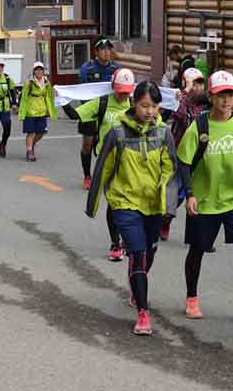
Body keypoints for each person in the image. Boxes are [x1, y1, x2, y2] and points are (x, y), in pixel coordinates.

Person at [86, 81, 178, 336]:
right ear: (134, 104)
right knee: (138, 252)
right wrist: (92, 205)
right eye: (144, 105)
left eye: (154, 106)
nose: (150, 111)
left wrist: (169, 206)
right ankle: (143, 313)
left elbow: (170, 171)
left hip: (153, 205)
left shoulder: (164, 133)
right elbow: (103, 168)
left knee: (149, 252)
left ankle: (136, 286)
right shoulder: (117, 133)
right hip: (124, 202)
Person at [175, 70, 233, 322]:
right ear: (211, 97)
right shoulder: (200, 126)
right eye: (220, 95)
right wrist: (190, 194)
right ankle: (192, 298)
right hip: (204, 201)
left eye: (230, 95)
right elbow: (183, 161)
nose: (226, 101)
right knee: (198, 250)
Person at [67, 68, 136, 261]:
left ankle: (128, 239)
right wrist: (61, 99)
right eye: (120, 90)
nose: (123, 95)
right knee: (114, 202)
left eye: (127, 91)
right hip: (108, 160)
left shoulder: (136, 103)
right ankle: (116, 243)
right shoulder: (103, 102)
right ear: (113, 87)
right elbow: (75, 115)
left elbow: (155, 119)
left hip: (132, 161)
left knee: (131, 202)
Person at [161, 67, 207, 241]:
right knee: (174, 197)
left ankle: (199, 237)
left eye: (200, 83)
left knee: (196, 195)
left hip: (199, 158)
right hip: (178, 156)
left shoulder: (207, 105)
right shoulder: (181, 101)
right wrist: (185, 92)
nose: (197, 87)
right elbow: (176, 113)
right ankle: (165, 220)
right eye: (193, 83)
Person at [76, 38, 121, 187]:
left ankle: (109, 175)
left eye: (109, 49)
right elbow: (81, 92)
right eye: (103, 49)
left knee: (111, 144)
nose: (107, 52)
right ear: (96, 52)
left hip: (111, 112)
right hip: (91, 111)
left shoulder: (117, 69)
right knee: (88, 144)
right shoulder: (87, 68)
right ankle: (87, 176)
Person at [18, 62, 57, 162]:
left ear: (43, 71)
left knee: (41, 133)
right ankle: (29, 152)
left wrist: (51, 109)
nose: (39, 71)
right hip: (30, 111)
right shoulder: (29, 83)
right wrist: (22, 112)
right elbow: (24, 98)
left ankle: (32, 145)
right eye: (37, 69)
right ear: (34, 71)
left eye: (41, 69)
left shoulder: (47, 83)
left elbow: (49, 96)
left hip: (41, 111)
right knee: (30, 132)